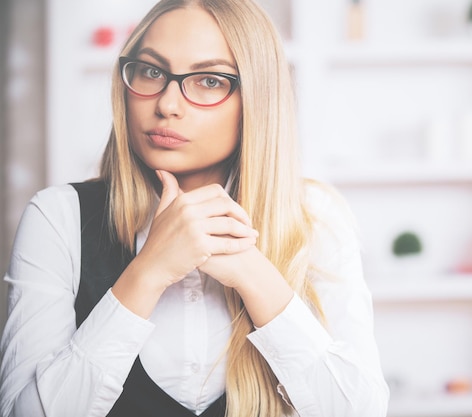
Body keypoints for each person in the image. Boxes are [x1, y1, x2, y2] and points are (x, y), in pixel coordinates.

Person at [0, 1, 390, 416]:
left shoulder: (316, 215)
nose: (167, 104)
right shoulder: (58, 216)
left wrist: (253, 274)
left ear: (257, 99)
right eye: (151, 71)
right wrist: (147, 273)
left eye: (208, 80)